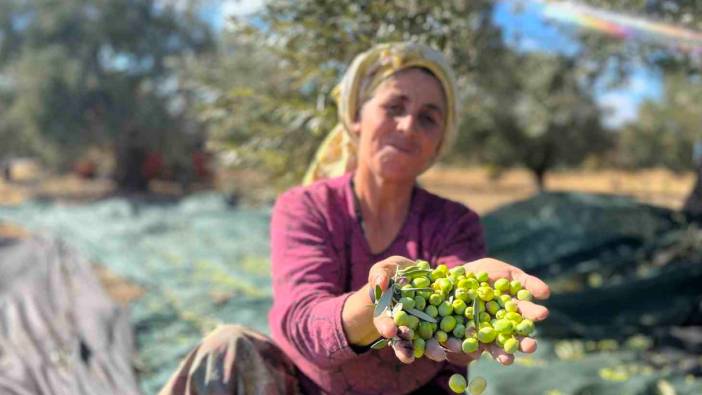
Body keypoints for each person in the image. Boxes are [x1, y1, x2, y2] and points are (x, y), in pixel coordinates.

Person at [159, 42, 550, 395]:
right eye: (393, 107)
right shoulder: (308, 207)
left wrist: (473, 313)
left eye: (428, 118)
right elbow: (303, 322)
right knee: (226, 348)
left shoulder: (453, 222)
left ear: (439, 141)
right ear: (357, 117)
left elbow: (457, 306)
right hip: (306, 389)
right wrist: (380, 299)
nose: (407, 125)